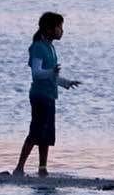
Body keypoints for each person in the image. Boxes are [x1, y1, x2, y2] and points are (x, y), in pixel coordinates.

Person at [16, 11, 79, 177]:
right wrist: (51, 72)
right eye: (59, 27)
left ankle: (42, 168)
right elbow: (37, 73)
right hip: (39, 96)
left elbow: (52, 76)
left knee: (46, 134)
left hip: (50, 95)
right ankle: (19, 167)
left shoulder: (50, 47)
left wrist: (66, 83)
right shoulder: (38, 47)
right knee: (36, 131)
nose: (62, 30)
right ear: (49, 29)